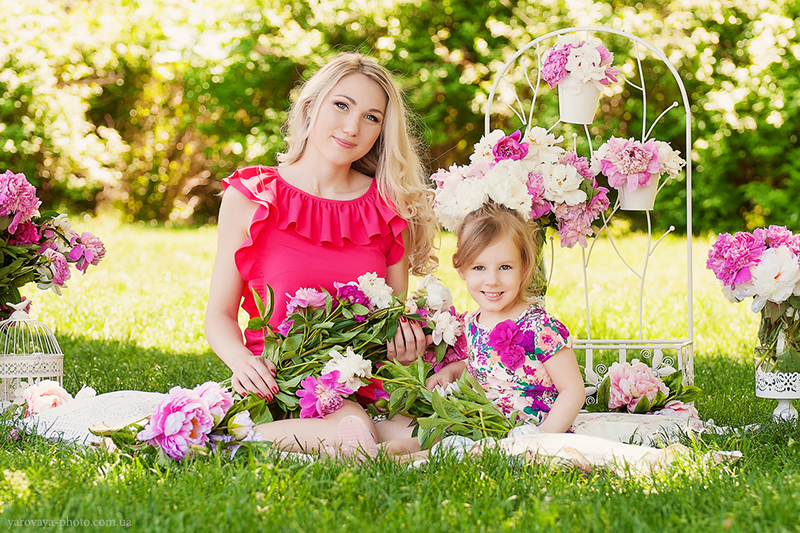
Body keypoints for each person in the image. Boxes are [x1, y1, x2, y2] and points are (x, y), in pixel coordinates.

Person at [204, 52, 438, 456]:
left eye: (371, 117)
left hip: (365, 382)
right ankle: (222, 439)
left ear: (382, 132)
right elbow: (218, 315)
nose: (352, 127)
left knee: (432, 433)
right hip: (282, 380)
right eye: (342, 105)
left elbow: (390, 321)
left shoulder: (388, 207)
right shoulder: (253, 197)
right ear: (311, 106)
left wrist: (406, 344)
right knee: (353, 429)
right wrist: (241, 362)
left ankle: (344, 443)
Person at [426, 201, 585, 433]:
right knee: (430, 437)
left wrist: (542, 438)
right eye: (479, 268)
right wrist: (452, 371)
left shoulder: (539, 327)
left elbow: (573, 390)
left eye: (505, 267)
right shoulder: (473, 323)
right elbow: (487, 368)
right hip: (485, 427)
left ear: (524, 266)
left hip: (532, 431)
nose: (492, 280)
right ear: (460, 268)